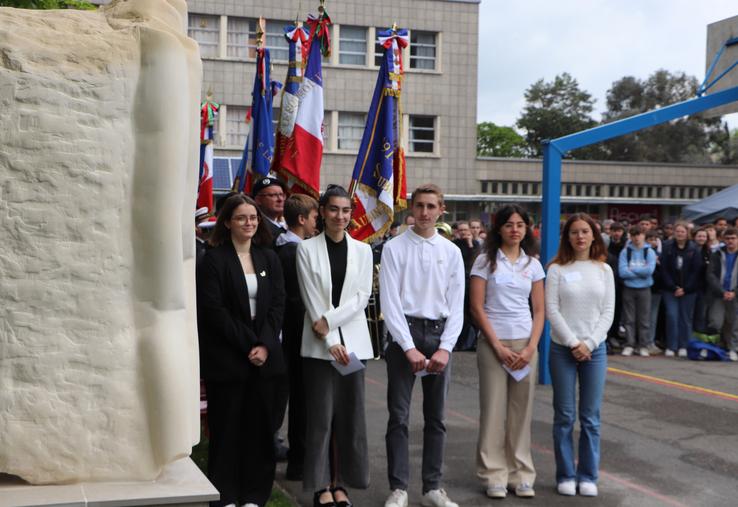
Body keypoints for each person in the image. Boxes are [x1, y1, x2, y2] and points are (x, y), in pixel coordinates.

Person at [197, 194, 286, 507]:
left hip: (265, 360)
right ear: (227, 222)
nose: (249, 223)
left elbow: (277, 305)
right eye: (241, 218)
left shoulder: (268, 258)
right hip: (229, 359)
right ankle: (226, 496)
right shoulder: (214, 259)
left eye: (253, 217)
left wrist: (264, 344)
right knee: (227, 431)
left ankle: (253, 496)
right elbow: (213, 310)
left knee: (260, 433)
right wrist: (251, 344)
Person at [380, 184, 465, 507]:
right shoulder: (394, 248)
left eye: (432, 206)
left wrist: (446, 347)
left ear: (441, 209)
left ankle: (433, 487)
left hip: (439, 333)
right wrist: (407, 346)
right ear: (411, 209)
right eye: (420, 206)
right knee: (398, 416)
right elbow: (389, 302)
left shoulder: (451, 252)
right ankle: (399, 487)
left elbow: (457, 305)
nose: (425, 213)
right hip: (407, 335)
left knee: (436, 417)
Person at [296, 185, 374, 507]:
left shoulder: (363, 251)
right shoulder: (306, 249)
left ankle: (341, 483)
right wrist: (328, 338)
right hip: (319, 347)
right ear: (322, 212)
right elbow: (311, 298)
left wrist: (330, 322)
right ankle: (320, 486)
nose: (339, 216)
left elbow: (361, 297)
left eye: (345, 211)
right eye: (333, 210)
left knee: (349, 417)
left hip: (353, 346)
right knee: (321, 418)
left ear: (350, 215)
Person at [469, 205, 545, 499]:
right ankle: (494, 474)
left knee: (521, 413)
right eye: (509, 224)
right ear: (498, 228)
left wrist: (531, 348)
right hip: (493, 346)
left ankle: (521, 474)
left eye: (520, 225)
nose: (515, 229)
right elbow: (477, 307)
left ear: (527, 230)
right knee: (493, 411)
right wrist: (498, 346)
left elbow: (539, 310)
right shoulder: (485, 262)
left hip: (525, 345)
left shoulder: (533, 265)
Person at [545, 213, 615, 498]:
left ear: (594, 236)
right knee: (564, 415)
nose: (580, 236)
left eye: (585, 231)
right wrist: (574, 342)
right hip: (563, 349)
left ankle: (588, 475)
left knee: (590, 417)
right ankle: (565, 474)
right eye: (574, 232)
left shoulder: (604, 270)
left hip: (595, 351)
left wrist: (590, 342)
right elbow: (552, 310)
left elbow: (608, 311)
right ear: (567, 237)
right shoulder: (556, 269)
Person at [276, 194, 319, 481]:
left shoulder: (286, 248)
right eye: (315, 217)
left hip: (291, 334)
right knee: (302, 400)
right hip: (297, 335)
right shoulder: (293, 253)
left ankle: (298, 458)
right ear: (302, 219)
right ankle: (299, 461)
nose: (318, 222)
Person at [660, 222, 702, 358]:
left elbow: (696, 271)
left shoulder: (693, 249)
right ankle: (671, 346)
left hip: (689, 290)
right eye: (677, 231)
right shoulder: (667, 247)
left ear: (687, 233)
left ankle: (684, 345)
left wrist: (685, 288)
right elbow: (664, 269)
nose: (679, 234)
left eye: (682, 232)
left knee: (685, 318)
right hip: (670, 289)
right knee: (672, 316)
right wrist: (674, 287)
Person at [618, 225, 656, 357]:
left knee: (644, 319)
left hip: (645, 289)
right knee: (629, 319)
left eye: (639, 234)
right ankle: (629, 344)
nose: (636, 237)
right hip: (629, 288)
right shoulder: (625, 252)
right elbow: (622, 272)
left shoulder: (649, 251)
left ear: (644, 236)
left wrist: (632, 270)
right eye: (633, 235)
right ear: (630, 236)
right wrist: (641, 272)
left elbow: (650, 271)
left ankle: (643, 345)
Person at [706, 227, 738, 361]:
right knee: (715, 322)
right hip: (719, 294)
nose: (730, 241)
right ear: (723, 240)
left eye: (733, 238)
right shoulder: (717, 254)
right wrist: (721, 291)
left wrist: (734, 292)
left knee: (734, 323)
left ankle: (733, 349)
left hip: (735, 294)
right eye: (728, 238)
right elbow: (710, 274)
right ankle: (715, 347)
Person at [453, 221, 482, 352]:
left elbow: (474, 261)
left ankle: (473, 341)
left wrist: (470, 243)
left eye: (466, 230)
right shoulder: (454, 245)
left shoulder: (475, 244)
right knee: (461, 313)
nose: (464, 232)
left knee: (472, 313)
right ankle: (459, 342)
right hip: (458, 282)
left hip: (470, 281)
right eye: (461, 230)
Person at [253, 176, 288, 243]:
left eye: (282, 195)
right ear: (258, 200)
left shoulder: (285, 224)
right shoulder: (257, 226)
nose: (280, 199)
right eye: (273, 195)